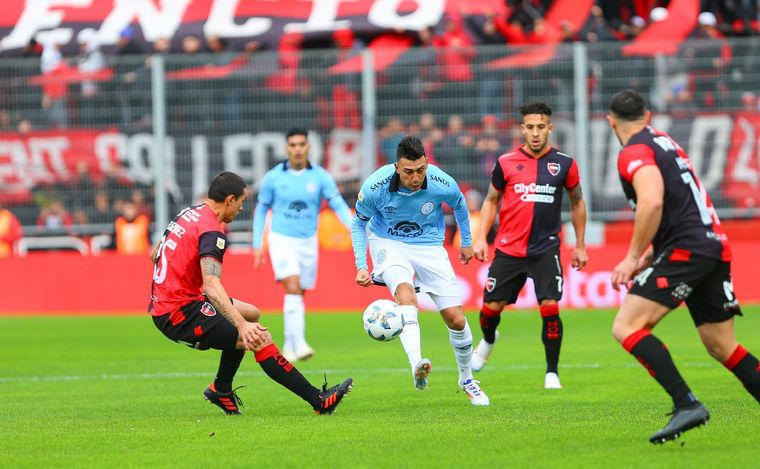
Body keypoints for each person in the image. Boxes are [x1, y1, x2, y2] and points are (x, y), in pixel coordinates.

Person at [606, 89, 759, 444]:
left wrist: (632, 255)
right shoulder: (664, 141)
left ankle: (686, 403)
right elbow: (680, 202)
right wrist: (650, 255)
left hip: (688, 249)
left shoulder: (634, 151)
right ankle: (687, 403)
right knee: (722, 346)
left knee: (627, 325)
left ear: (611, 121)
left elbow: (653, 200)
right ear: (648, 116)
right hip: (712, 245)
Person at [149, 171, 352, 416]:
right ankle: (318, 400)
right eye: (242, 202)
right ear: (230, 199)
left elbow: (155, 254)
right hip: (179, 313)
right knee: (256, 336)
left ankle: (221, 389)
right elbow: (212, 286)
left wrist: (176, 282)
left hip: (176, 301)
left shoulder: (188, 213)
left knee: (252, 314)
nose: (242, 209)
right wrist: (242, 326)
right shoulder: (212, 232)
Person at [351, 135, 489, 406]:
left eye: (420, 170)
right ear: (396, 167)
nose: (416, 178)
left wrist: (467, 242)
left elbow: (460, 204)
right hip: (388, 242)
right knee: (404, 291)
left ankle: (467, 379)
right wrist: (361, 265)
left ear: (426, 163)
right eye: (409, 172)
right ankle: (417, 364)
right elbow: (359, 224)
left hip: (429, 246)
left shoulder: (441, 182)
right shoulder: (375, 187)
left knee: (456, 320)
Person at [471, 102, 588, 390]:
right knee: (489, 311)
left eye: (541, 127)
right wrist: (480, 238)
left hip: (546, 248)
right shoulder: (506, 162)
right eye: (530, 127)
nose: (535, 133)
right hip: (509, 249)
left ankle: (552, 373)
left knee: (549, 307)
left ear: (549, 128)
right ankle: (488, 339)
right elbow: (490, 200)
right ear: (522, 129)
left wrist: (580, 245)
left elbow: (577, 202)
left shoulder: (565, 164)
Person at [252, 128, 353, 362]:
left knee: (299, 293)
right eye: (293, 145)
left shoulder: (320, 177)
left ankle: (289, 345)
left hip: (308, 241)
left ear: (308, 147)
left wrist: (352, 227)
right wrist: (258, 243)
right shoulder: (274, 178)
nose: (297, 149)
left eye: (301, 145)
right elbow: (261, 210)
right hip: (281, 239)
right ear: (286, 148)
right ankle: (300, 343)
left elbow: (337, 203)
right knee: (293, 287)